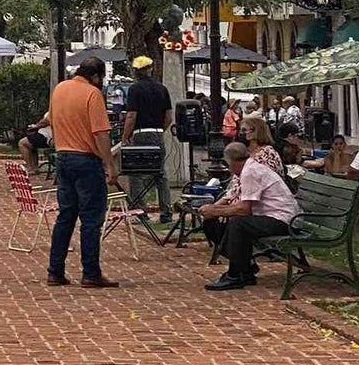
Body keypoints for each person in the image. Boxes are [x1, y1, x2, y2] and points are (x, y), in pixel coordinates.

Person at [37, 57, 121, 289]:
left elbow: (50, 119)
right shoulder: (93, 95)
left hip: (63, 157)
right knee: (91, 219)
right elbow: (100, 133)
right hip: (86, 160)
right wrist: (109, 165)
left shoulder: (60, 89)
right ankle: (91, 272)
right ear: (96, 76)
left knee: (66, 216)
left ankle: (55, 271)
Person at [198, 140, 299, 291]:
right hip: (268, 216)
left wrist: (215, 210)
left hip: (282, 219)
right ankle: (246, 268)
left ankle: (235, 275)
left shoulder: (250, 171)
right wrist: (215, 211)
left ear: (231, 162)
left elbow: (244, 209)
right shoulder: (249, 168)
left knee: (238, 224)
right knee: (214, 223)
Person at [119, 55, 173, 216]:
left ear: (136, 71)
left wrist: (125, 136)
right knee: (160, 173)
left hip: (140, 134)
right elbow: (169, 116)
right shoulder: (162, 88)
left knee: (136, 173)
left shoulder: (135, 89)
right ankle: (166, 211)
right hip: (157, 133)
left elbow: (131, 116)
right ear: (150, 69)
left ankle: (140, 210)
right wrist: (160, 130)